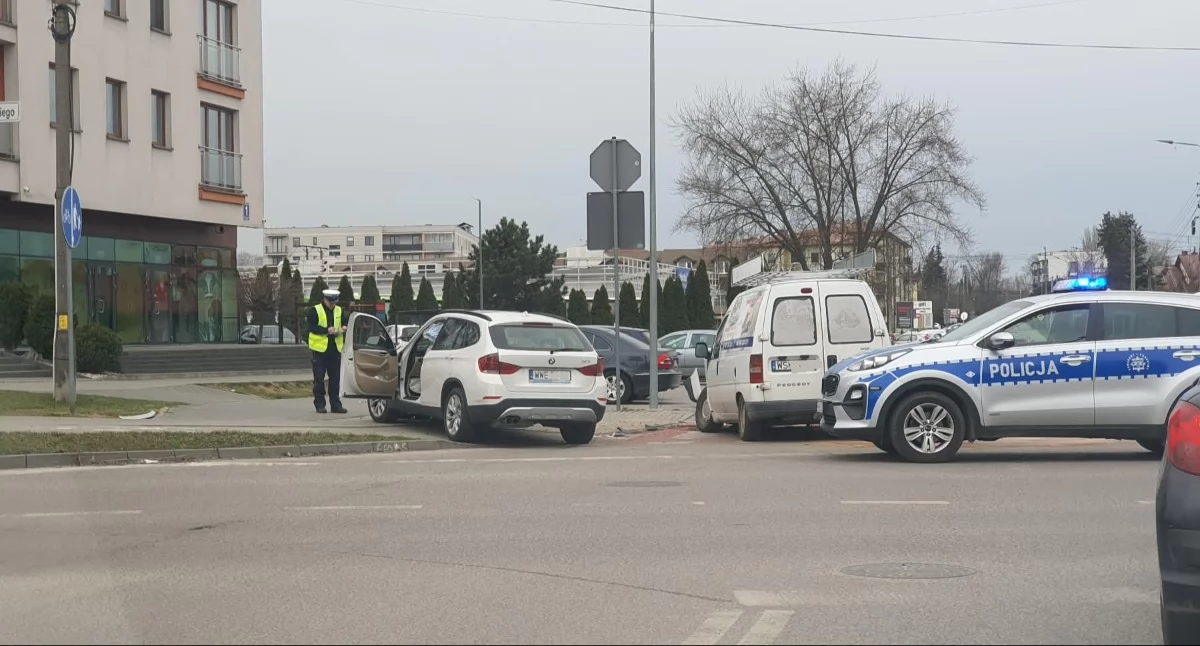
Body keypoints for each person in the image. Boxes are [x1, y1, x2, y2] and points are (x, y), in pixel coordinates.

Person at [308, 289, 348, 413]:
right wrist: (326, 330)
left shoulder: (339, 310)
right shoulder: (315, 310)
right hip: (319, 351)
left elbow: (345, 322)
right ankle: (320, 404)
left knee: (335, 379)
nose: (332, 304)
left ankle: (335, 405)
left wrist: (344, 327)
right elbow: (312, 327)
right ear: (325, 299)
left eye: (334, 302)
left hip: (335, 350)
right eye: (330, 302)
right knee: (319, 379)